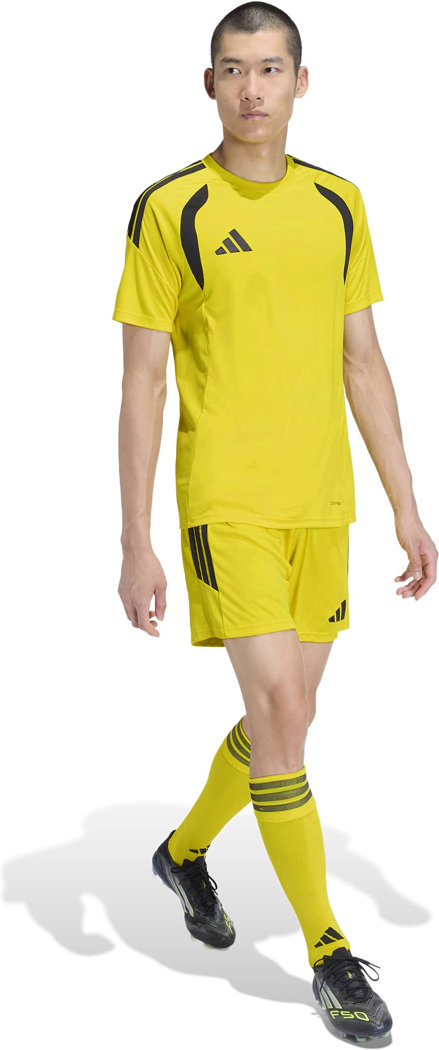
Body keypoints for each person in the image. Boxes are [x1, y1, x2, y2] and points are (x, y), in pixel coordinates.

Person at [112, 2, 437, 1041]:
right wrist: (135, 538)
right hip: (228, 504)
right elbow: (142, 380)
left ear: (302, 81)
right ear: (207, 83)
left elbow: (362, 361)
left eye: (269, 68)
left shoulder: (339, 203)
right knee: (286, 718)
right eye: (232, 68)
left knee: (280, 725)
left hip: (321, 505)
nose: (251, 88)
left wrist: (406, 505)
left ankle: (182, 853)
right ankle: (329, 953)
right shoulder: (171, 208)